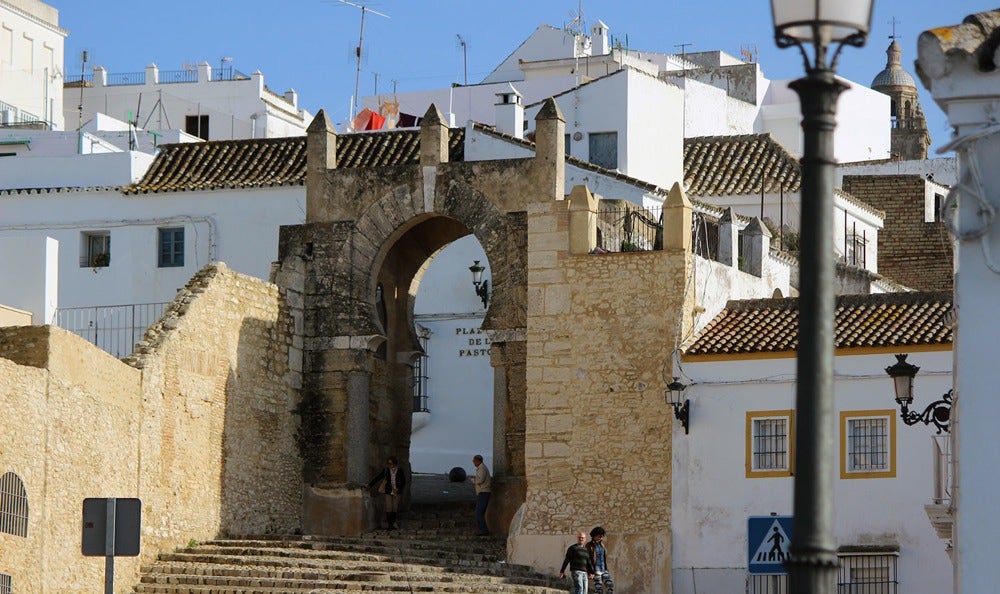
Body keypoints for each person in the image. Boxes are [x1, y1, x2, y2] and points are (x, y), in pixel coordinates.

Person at [375, 456, 405, 529]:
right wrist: (370, 485)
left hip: (397, 492)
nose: (389, 465)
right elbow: (378, 477)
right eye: (388, 463)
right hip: (388, 491)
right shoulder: (386, 470)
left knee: (395, 508)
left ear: (395, 464)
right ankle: (390, 525)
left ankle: (393, 523)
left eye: (390, 463)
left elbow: (403, 481)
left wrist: (398, 488)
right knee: (388, 508)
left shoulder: (400, 471)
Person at [586, 526, 614, 594]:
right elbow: (587, 559)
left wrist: (606, 569)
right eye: (599, 536)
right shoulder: (589, 545)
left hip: (603, 569)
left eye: (602, 536)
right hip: (595, 569)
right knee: (599, 589)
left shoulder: (602, 544)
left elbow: (603, 557)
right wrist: (590, 572)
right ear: (594, 535)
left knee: (610, 586)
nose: (601, 538)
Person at [470, 454, 492, 536]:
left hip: (483, 492)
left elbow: (480, 480)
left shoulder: (482, 468)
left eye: (474, 460)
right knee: (480, 512)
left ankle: (484, 530)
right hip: (483, 492)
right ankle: (483, 530)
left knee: (479, 513)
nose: (473, 462)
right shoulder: (482, 468)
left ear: (478, 461)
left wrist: (473, 480)